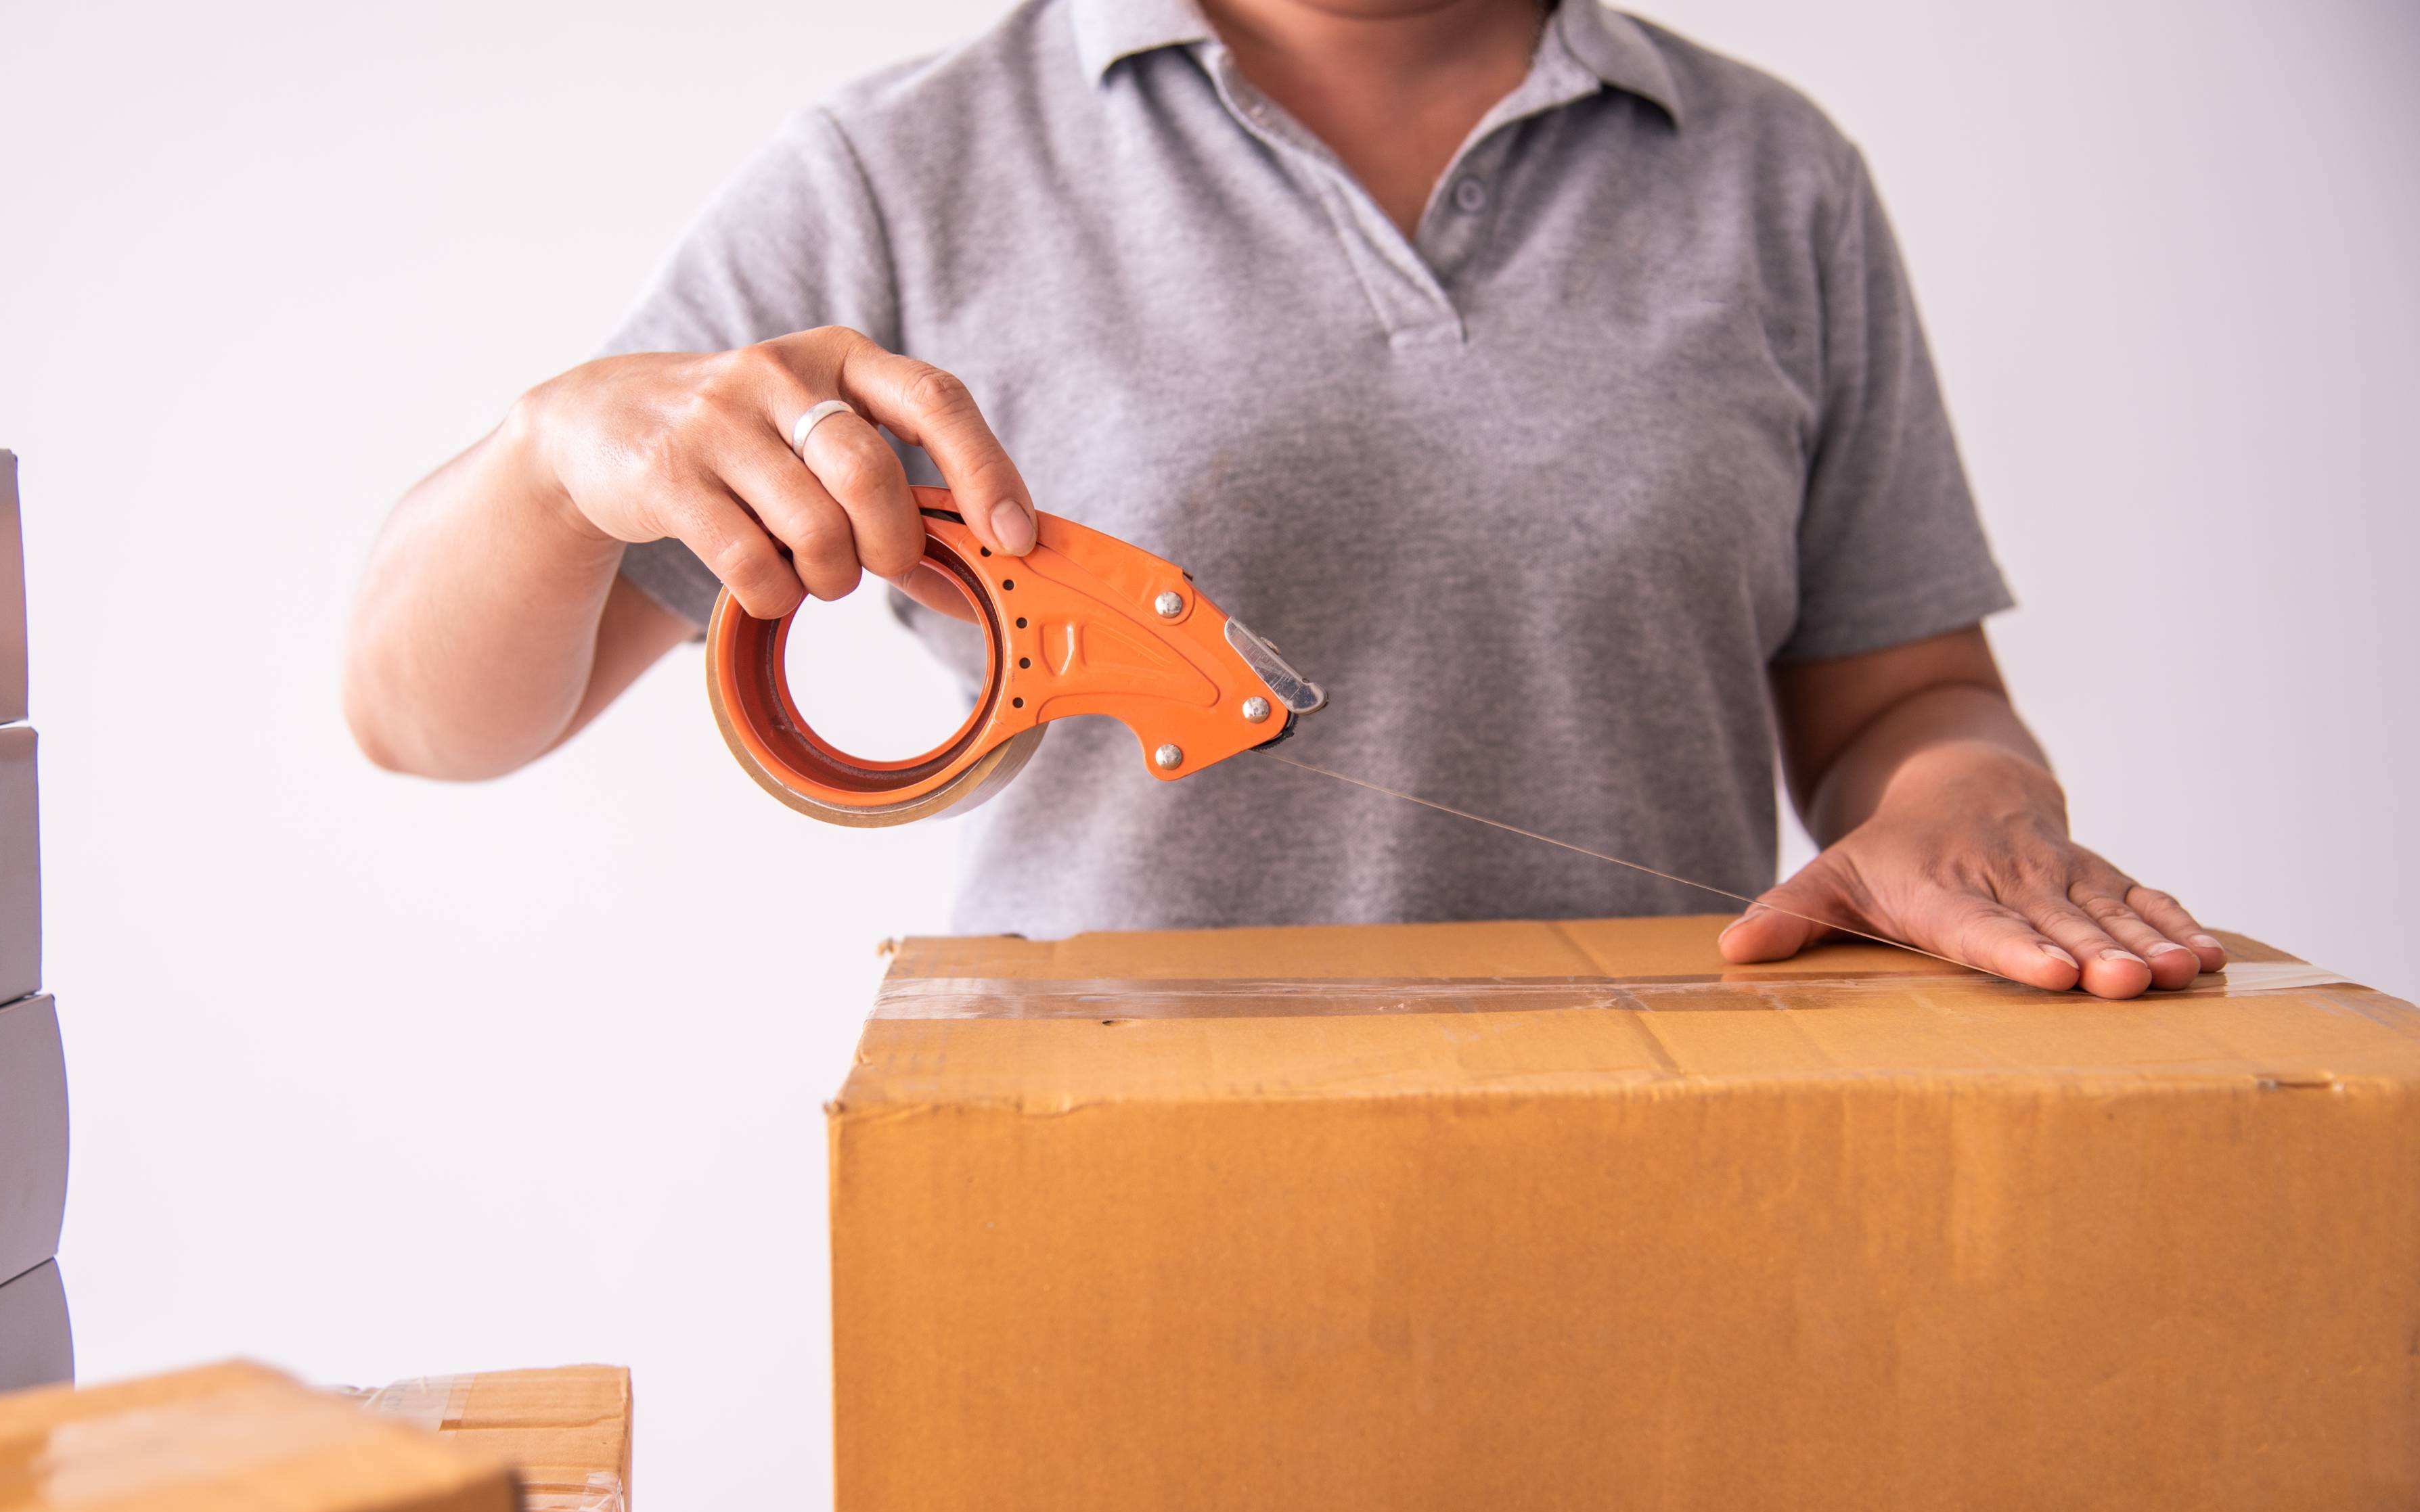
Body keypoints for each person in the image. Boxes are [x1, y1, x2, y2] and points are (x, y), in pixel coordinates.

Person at [344, 0, 2223, 999]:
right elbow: (419, 716)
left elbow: (1904, 701)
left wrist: (1972, 812)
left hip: (1674, 1171)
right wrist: (552, 454)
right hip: (1095, 1209)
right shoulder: (899, 168)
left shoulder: (1769, 174)